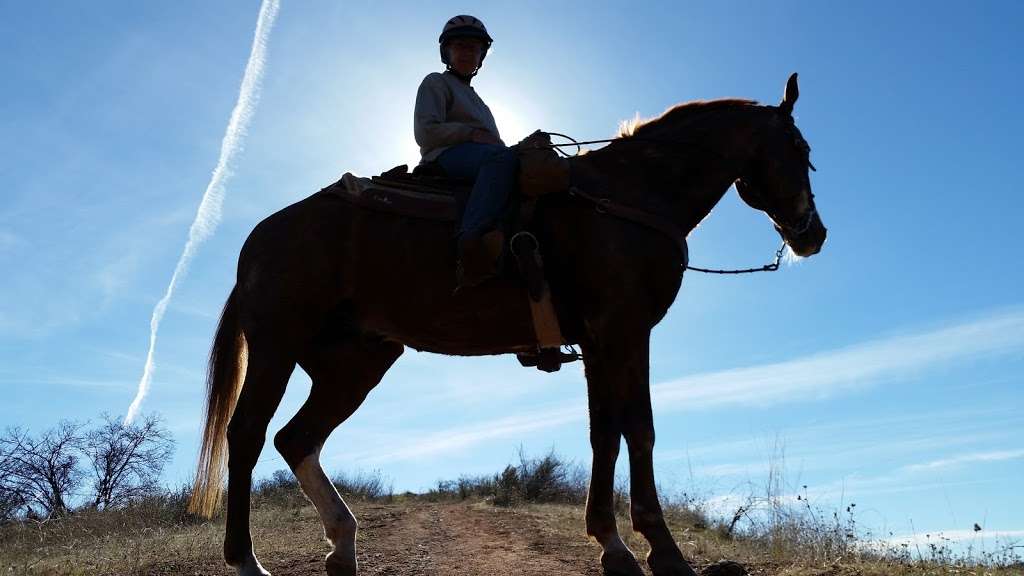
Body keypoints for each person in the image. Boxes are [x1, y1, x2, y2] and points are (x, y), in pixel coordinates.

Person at [414, 15, 517, 288]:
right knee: (502, 159)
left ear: (481, 56)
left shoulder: (481, 104)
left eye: (473, 48)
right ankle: (470, 240)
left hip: (483, 160)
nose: (466, 52)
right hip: (445, 157)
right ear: (446, 52)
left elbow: (493, 145)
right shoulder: (436, 82)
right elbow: (426, 132)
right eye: (459, 46)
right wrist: (470, 133)